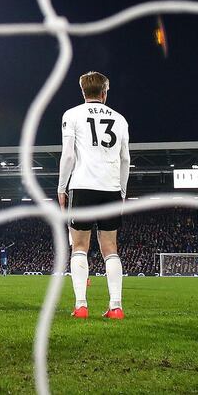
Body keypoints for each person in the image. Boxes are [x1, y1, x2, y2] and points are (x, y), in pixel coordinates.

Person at [57, 71, 130, 320]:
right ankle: (116, 306)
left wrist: (61, 187)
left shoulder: (72, 114)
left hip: (82, 186)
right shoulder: (120, 119)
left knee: (79, 247)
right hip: (110, 188)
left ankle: (81, 306)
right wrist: (122, 191)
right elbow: (125, 159)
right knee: (111, 248)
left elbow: (68, 156)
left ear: (83, 91)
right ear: (104, 92)